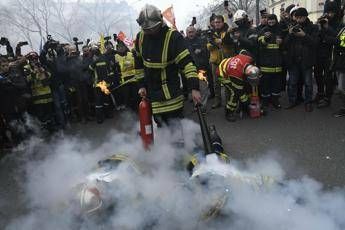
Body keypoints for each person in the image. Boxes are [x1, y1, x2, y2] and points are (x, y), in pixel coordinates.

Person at [134, 4, 201, 127]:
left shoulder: (173, 37)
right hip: (153, 92)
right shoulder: (140, 37)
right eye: (146, 29)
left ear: (160, 22)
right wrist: (141, 85)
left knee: (175, 124)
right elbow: (138, 64)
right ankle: (167, 144)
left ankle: (179, 144)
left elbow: (188, 64)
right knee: (160, 123)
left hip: (171, 90)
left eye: (152, 28)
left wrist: (194, 87)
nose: (149, 31)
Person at [283, 7, 319, 112]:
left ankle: (308, 102)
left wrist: (304, 35)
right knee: (292, 82)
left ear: (305, 17)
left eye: (300, 18)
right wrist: (290, 34)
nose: (298, 20)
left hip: (306, 61)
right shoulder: (293, 27)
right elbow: (285, 44)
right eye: (296, 17)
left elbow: (315, 43)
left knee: (308, 83)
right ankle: (293, 101)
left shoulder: (313, 28)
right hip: (293, 60)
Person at [217, 50, 260, 122]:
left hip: (231, 66)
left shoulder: (249, 58)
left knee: (242, 89)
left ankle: (243, 106)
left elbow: (243, 51)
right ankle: (229, 112)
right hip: (223, 74)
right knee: (234, 93)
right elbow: (239, 91)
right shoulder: (236, 74)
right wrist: (247, 102)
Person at [257, 14, 284, 110]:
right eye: (269, 20)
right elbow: (260, 43)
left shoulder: (280, 30)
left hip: (277, 63)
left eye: (273, 20)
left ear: (276, 20)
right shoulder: (263, 31)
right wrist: (266, 39)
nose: (271, 22)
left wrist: (281, 43)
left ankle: (275, 100)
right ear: (267, 21)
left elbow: (285, 45)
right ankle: (265, 101)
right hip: (266, 64)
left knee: (276, 84)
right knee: (265, 84)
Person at [206, 15, 230, 109]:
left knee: (227, 82)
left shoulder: (227, 31)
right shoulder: (210, 33)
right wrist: (216, 42)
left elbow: (230, 43)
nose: (217, 24)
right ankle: (217, 101)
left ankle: (228, 101)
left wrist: (222, 41)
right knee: (216, 83)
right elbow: (208, 46)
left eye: (219, 22)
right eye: (216, 22)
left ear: (223, 22)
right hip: (215, 62)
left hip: (226, 61)